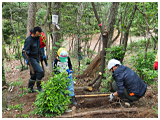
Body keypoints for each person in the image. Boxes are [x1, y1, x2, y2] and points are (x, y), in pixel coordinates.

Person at [22, 26, 44, 93]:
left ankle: (30, 89)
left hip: (36, 58)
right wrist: (26, 59)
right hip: (31, 59)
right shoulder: (29, 40)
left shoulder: (37, 39)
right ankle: (39, 88)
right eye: (38, 33)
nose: (39, 34)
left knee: (34, 74)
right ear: (34, 33)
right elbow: (24, 51)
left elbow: (39, 48)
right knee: (40, 71)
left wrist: (42, 55)